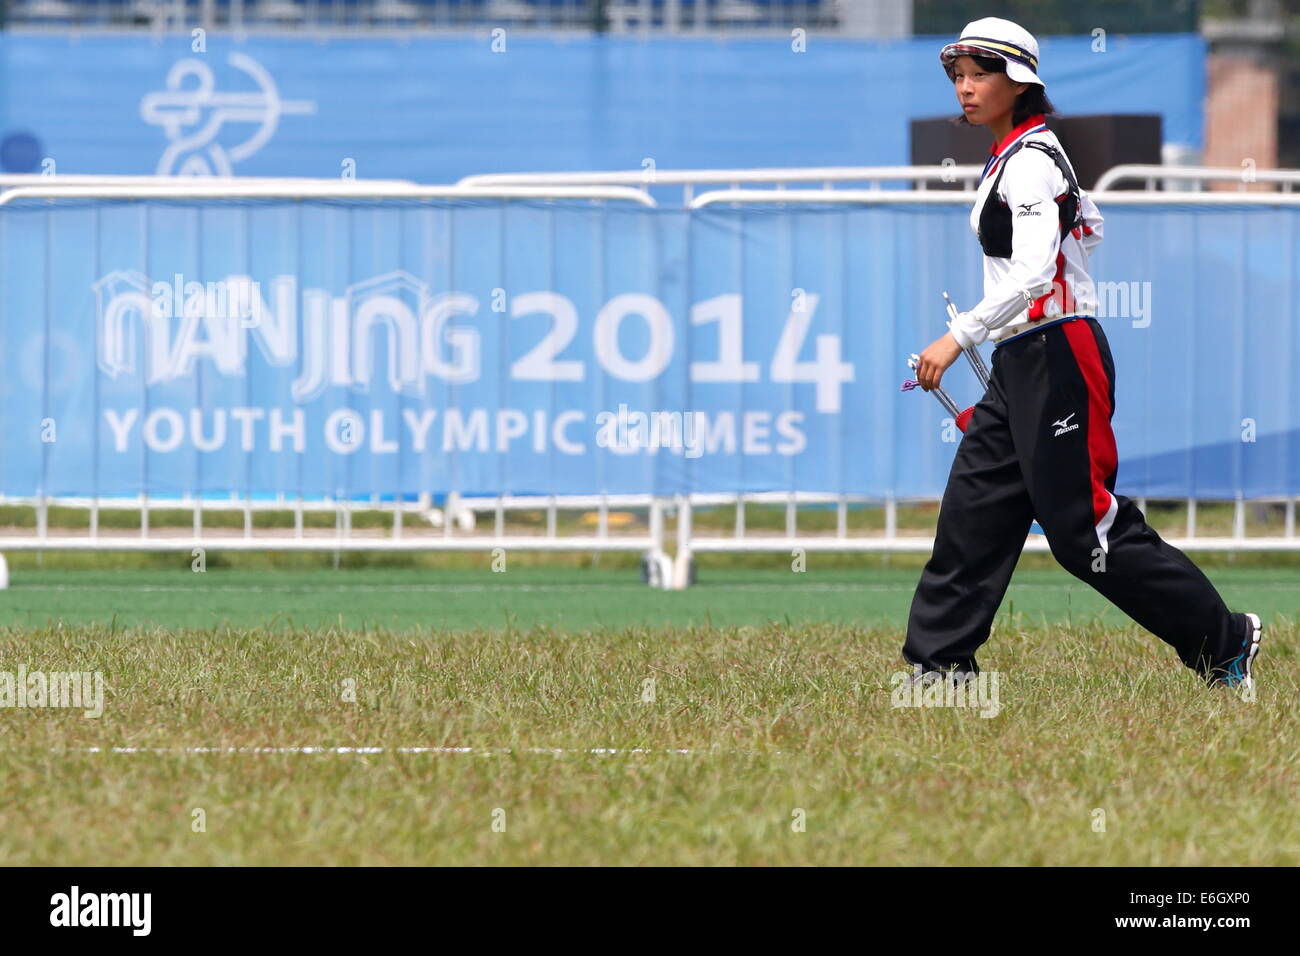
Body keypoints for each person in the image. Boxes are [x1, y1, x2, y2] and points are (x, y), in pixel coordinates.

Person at [902, 17, 1263, 693]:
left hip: (1057, 353)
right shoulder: (1018, 154)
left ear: (1020, 82)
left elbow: (1037, 275)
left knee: (1085, 536)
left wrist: (958, 338)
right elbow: (1089, 226)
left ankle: (1226, 640)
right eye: (957, 75)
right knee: (973, 512)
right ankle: (940, 673)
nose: (965, 87)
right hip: (1023, 357)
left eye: (981, 73)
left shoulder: (1033, 160)